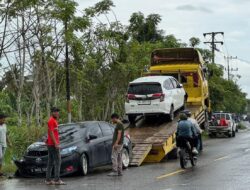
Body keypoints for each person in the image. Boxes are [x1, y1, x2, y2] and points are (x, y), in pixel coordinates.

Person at [45, 107, 65, 185]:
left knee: (50, 162)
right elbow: (51, 133)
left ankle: (48, 180)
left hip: (51, 143)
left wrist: (47, 139)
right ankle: (57, 180)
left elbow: (50, 132)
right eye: (55, 112)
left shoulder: (54, 120)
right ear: (52, 112)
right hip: (53, 144)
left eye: (57, 112)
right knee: (58, 161)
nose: (57, 113)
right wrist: (56, 143)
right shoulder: (51, 121)